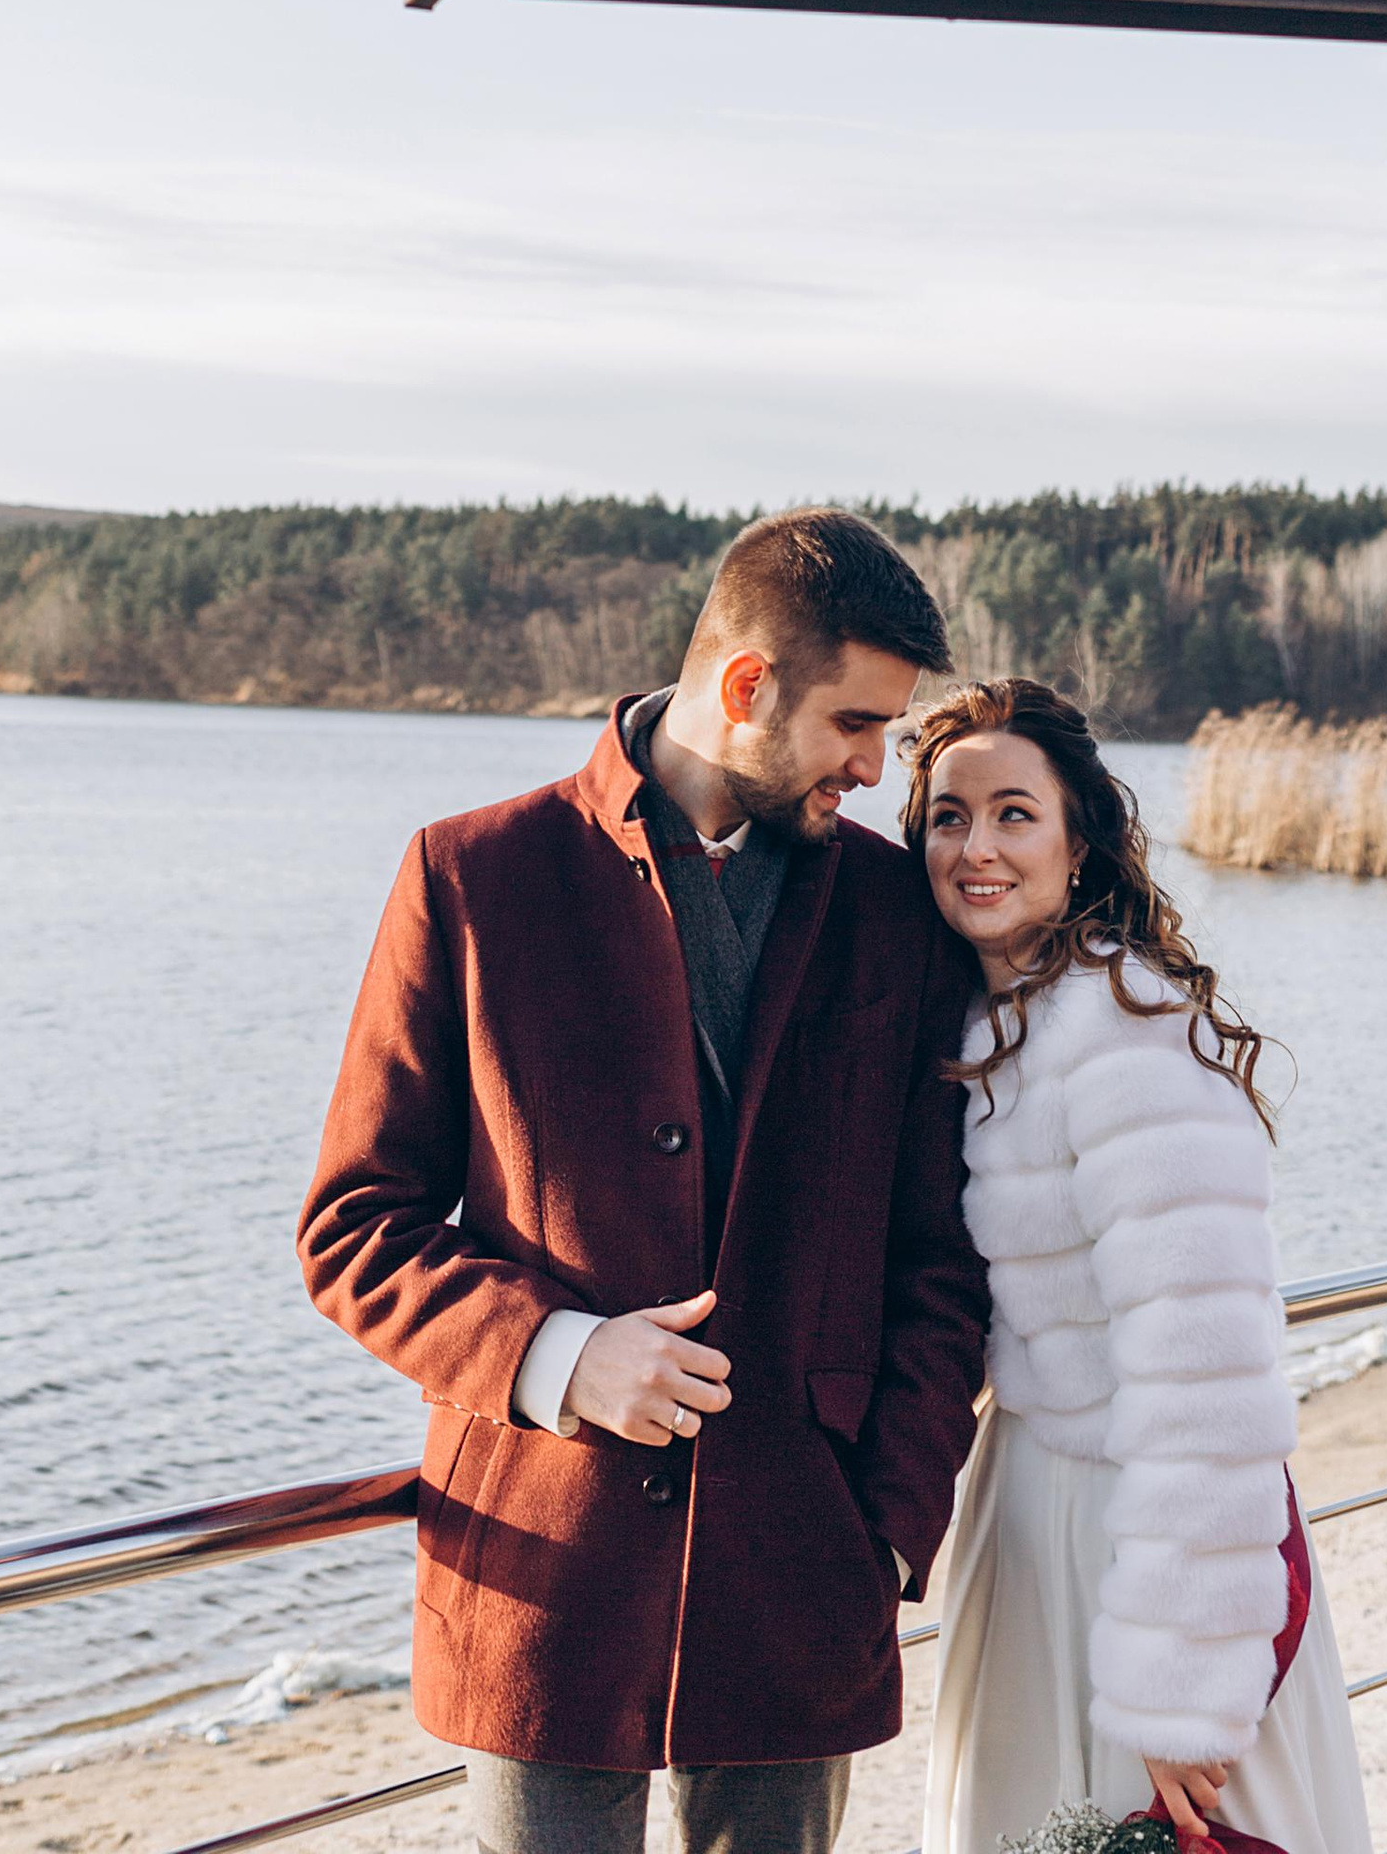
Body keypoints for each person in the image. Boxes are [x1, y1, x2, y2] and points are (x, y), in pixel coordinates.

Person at [299, 509, 989, 1854]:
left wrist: (890, 1535)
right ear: (744, 687)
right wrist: (556, 1354)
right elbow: (354, 1226)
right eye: (854, 726)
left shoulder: (899, 914)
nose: (873, 764)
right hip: (539, 1580)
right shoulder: (472, 877)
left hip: (806, 1578)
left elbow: (942, 1262)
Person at [904, 676, 1372, 1854]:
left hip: (1148, 1549)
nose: (976, 846)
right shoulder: (992, 1025)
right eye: (947, 817)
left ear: (1079, 842)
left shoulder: (1130, 1036)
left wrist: (1187, 1683)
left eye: (1015, 813)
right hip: (1026, 1515)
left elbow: (1208, 1376)